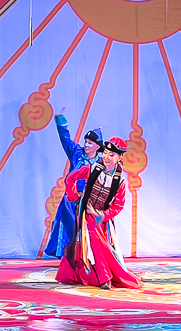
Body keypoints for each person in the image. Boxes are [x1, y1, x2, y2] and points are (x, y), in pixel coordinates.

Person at [55, 137, 143, 289]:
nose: (107, 157)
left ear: (119, 158)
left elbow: (118, 205)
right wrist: (76, 197)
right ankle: (104, 277)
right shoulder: (91, 169)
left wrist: (100, 215)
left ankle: (80, 275)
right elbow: (70, 179)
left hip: (102, 219)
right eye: (106, 153)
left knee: (99, 243)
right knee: (93, 238)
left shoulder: (120, 182)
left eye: (112, 155)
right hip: (85, 214)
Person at [44, 109, 103, 258]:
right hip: (71, 200)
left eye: (90, 143)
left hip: (89, 203)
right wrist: (60, 121)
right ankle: (67, 257)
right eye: (86, 142)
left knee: (90, 231)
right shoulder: (77, 152)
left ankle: (88, 258)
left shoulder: (100, 162)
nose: (86, 145)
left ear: (97, 146)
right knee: (69, 227)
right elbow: (65, 138)